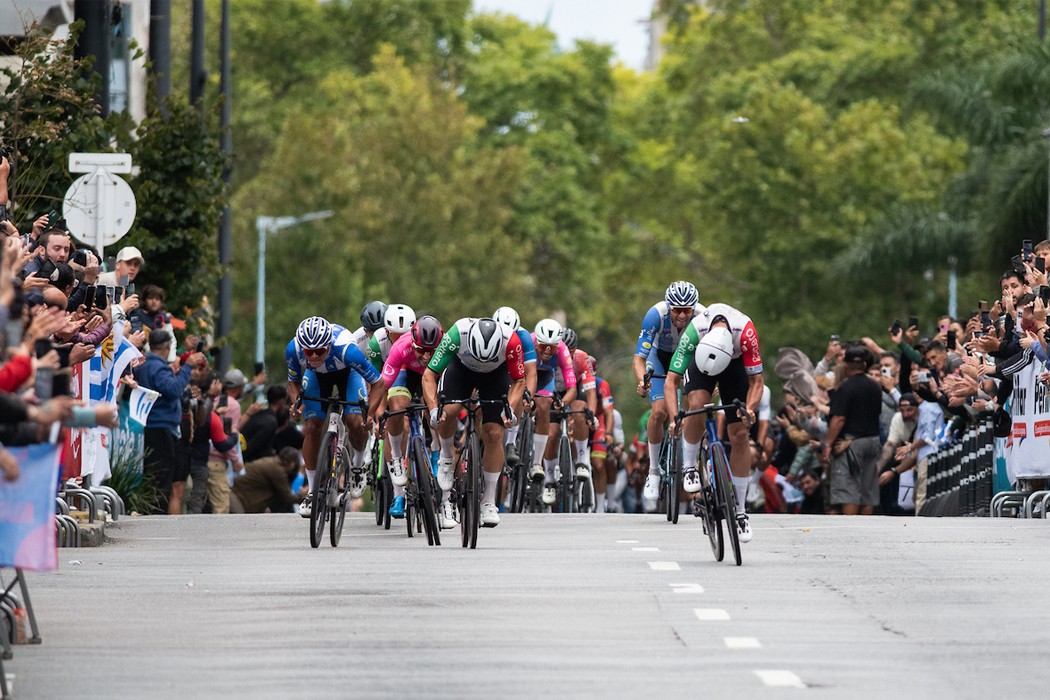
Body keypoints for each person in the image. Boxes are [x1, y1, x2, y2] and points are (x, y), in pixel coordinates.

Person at [664, 302, 765, 542]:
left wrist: (749, 410)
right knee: (696, 404)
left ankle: (740, 512)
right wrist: (675, 417)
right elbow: (671, 382)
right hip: (701, 363)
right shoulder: (694, 332)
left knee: (740, 434)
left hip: (734, 367)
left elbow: (757, 382)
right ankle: (690, 466)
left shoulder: (746, 332)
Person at [423, 317, 526, 527]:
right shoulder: (456, 334)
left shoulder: (511, 341)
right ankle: (445, 456)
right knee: (448, 411)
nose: (482, 361)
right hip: (461, 371)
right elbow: (429, 374)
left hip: (495, 376)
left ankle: (488, 501)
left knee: (494, 433)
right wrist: (434, 408)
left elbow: (519, 381)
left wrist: (510, 408)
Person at [286, 316, 385, 518]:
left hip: (348, 374)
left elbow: (379, 383)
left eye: (319, 351)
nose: (313, 356)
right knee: (312, 426)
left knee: (355, 422)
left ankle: (357, 465)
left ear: (329, 345)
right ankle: (312, 492)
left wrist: (370, 414)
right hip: (315, 377)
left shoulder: (347, 350)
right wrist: (296, 405)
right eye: (309, 352)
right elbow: (293, 382)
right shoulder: (294, 349)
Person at [633, 281, 704, 502]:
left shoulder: (703, 317)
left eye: (687, 310)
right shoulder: (655, 315)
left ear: (694, 308)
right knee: (660, 412)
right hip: (660, 359)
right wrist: (643, 381)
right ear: (669, 307)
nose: (682, 315)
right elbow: (639, 359)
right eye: (677, 310)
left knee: (696, 406)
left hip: (689, 358)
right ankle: (653, 471)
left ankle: (691, 465)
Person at [133, 329, 207, 514]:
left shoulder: (146, 364)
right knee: (162, 475)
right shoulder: (157, 367)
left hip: (152, 426)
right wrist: (188, 366)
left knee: (156, 474)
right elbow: (173, 389)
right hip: (159, 427)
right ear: (167, 347)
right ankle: (157, 513)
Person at [379, 315, 445, 523]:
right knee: (396, 409)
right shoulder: (401, 347)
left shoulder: (446, 348)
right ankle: (398, 488)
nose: (426, 355)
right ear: (413, 343)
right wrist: (380, 412)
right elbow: (383, 385)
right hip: (405, 374)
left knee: (435, 408)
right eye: (421, 350)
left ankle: (436, 451)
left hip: (432, 376)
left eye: (431, 351)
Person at [820, 345, 884, 515]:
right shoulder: (875, 387)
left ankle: (852, 530)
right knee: (867, 490)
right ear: (864, 365)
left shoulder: (845, 388)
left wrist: (827, 444)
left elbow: (839, 419)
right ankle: (865, 529)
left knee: (849, 490)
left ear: (846, 365)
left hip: (851, 443)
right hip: (872, 440)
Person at [530, 318, 576, 505]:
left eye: (552, 348)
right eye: (543, 347)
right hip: (528, 371)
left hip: (545, 376)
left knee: (544, 404)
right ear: (536, 342)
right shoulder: (528, 342)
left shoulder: (563, 351)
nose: (547, 352)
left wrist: (563, 402)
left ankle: (536, 463)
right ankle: (511, 441)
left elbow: (572, 387)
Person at [493, 305, 537, 466]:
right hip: (494, 369)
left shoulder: (524, 337)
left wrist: (528, 396)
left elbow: (531, 372)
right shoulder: (489, 332)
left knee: (518, 390)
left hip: (513, 371)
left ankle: (511, 442)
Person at [231, 447, 304, 513]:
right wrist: (304, 495)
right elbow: (288, 498)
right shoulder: (277, 470)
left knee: (266, 512)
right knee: (240, 522)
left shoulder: (272, 461)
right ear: (292, 464)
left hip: (237, 492)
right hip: (237, 497)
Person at [241, 385, 290, 463]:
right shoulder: (271, 422)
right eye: (285, 401)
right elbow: (254, 446)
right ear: (281, 401)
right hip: (249, 462)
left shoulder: (259, 414)